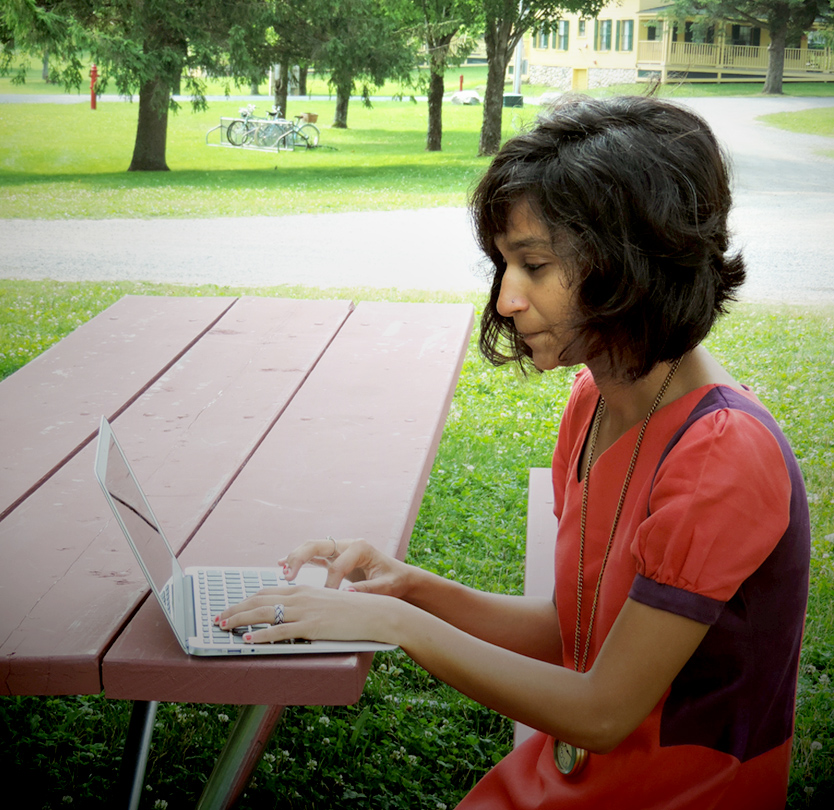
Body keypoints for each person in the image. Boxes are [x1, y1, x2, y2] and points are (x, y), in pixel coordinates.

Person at [218, 95, 810, 809]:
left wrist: (394, 624)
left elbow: (602, 710)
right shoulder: (594, 405)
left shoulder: (722, 455)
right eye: (504, 265)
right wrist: (411, 587)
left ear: (636, 262)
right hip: (565, 780)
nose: (505, 299)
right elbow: (575, 628)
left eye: (534, 264)